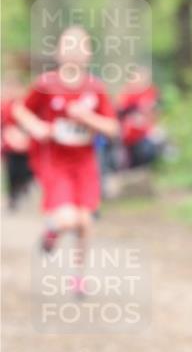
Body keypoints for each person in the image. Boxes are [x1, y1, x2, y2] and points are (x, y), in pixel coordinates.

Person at [11, 26, 119, 293]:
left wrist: (87, 118)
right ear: (58, 52)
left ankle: (78, 277)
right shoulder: (46, 85)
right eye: (67, 45)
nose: (73, 51)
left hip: (85, 164)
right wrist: (37, 128)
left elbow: (113, 129)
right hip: (55, 164)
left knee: (86, 221)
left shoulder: (95, 88)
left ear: (89, 54)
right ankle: (52, 230)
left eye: (79, 46)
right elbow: (20, 110)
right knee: (68, 219)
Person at [115, 66, 165, 169]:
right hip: (129, 132)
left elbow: (157, 110)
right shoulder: (127, 92)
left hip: (146, 130)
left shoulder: (151, 91)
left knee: (158, 138)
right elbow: (120, 111)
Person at [1, 73, 34, 209]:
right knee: (12, 172)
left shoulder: (26, 105)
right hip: (9, 145)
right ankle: (13, 197)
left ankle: (23, 187)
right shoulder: (4, 106)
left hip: (27, 145)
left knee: (27, 170)